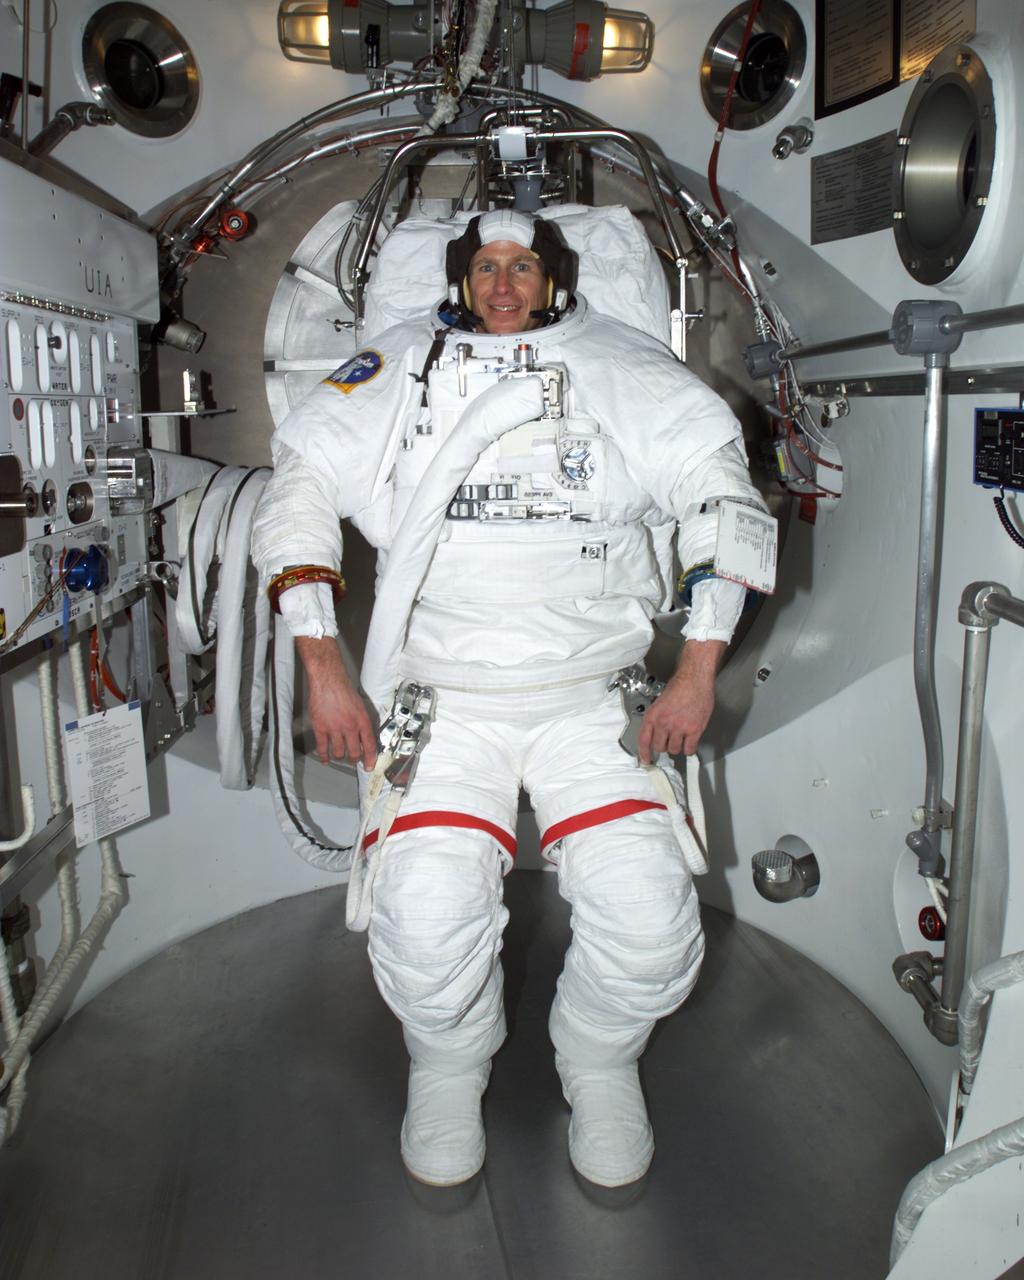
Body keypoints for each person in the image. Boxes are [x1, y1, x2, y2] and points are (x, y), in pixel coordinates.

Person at [251, 208, 773, 1189]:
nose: (502, 282)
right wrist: (321, 658)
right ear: (459, 276)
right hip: (446, 700)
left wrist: (699, 665)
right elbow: (302, 485)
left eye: (522, 264)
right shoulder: (394, 367)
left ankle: (599, 1056)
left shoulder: (619, 363)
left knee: (653, 916)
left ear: (550, 277)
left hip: (588, 696)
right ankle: (447, 1063)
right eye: (485, 265)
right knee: (424, 909)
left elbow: (720, 496)